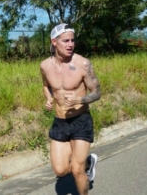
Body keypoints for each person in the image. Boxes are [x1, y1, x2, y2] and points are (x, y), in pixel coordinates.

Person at [40, 23, 101, 195]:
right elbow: (46, 85)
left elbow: (97, 92)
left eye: (72, 41)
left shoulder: (83, 64)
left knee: (76, 170)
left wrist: (79, 99)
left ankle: (82, 168)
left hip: (81, 121)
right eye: (65, 41)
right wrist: (49, 98)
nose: (70, 44)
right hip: (60, 122)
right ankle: (89, 162)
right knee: (60, 171)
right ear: (54, 42)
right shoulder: (45, 66)